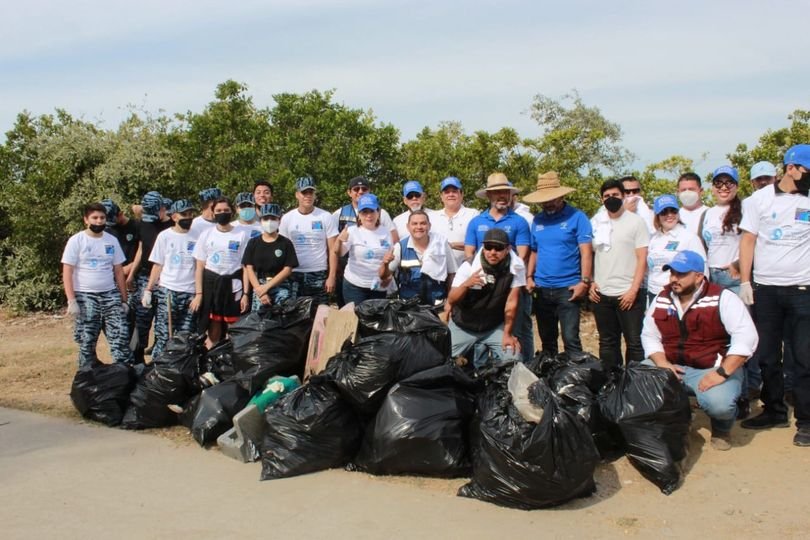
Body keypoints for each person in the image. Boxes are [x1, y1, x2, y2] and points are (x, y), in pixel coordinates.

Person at [641, 250, 758, 451]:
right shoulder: (662, 297)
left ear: (698, 277)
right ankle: (677, 419)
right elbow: (649, 335)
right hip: (672, 363)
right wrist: (662, 364)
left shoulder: (722, 298)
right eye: (672, 273)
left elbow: (746, 338)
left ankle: (722, 428)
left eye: (681, 274)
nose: (674, 279)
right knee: (637, 381)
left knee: (719, 404)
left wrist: (722, 373)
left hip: (711, 367)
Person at [738, 144, 810, 446]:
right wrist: (745, 281)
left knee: (805, 357)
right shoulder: (758, 201)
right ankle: (774, 409)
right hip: (766, 289)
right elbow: (748, 241)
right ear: (791, 168)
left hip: (803, 288)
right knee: (767, 355)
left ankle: (806, 420)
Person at [523, 171, 593, 355]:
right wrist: (529, 276)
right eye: (544, 200)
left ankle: (575, 377)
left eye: (552, 199)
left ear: (561, 195)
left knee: (571, 338)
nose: (548, 203)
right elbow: (534, 251)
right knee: (547, 339)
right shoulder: (537, 220)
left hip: (568, 287)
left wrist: (584, 282)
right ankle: (550, 378)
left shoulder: (577, 217)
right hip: (542, 287)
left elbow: (586, 252)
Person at [465, 172, 532, 361]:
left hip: (511, 283)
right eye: (497, 192)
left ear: (510, 195)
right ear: (489, 196)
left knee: (519, 329)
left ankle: (524, 368)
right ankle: (482, 372)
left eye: (505, 192)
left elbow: (523, 254)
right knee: (483, 329)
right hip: (485, 286)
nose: (501, 196)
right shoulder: (476, 222)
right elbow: (470, 253)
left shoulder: (519, 221)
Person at [61, 202, 132, 367]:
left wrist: (123, 299)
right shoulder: (76, 240)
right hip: (85, 295)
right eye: (94, 218)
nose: (99, 221)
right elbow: (67, 272)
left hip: (109, 294)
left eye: (102, 218)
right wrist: (71, 300)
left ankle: (123, 374)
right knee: (87, 339)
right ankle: (86, 375)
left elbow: (118, 271)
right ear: (86, 219)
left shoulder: (111, 241)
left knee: (120, 335)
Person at [590, 179, 650, 369]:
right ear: (601, 199)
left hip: (628, 294)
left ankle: (634, 386)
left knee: (634, 342)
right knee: (607, 343)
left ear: (623, 196)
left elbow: (642, 258)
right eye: (606, 196)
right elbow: (590, 255)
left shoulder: (636, 222)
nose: (611, 199)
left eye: (615, 195)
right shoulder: (596, 222)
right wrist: (591, 282)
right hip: (602, 294)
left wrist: (633, 290)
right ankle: (612, 385)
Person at [446, 228, 525, 368]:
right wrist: (466, 284)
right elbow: (452, 299)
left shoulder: (516, 267)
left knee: (513, 357)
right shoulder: (468, 267)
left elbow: (511, 303)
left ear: (508, 249)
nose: (492, 252)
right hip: (463, 325)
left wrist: (507, 334)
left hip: (493, 327)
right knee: (442, 360)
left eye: (498, 248)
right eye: (488, 247)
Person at [143, 199, 199, 361]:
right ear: (174, 217)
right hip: (168, 291)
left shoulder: (197, 236)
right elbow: (157, 265)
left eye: (190, 214)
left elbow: (200, 266)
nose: (188, 218)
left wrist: (199, 293)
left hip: (190, 293)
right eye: (184, 214)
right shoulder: (165, 236)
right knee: (164, 336)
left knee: (187, 336)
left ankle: (181, 370)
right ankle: (157, 370)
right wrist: (148, 290)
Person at [191, 197, 250, 347]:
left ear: (232, 212)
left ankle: (232, 358)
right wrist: (199, 294)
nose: (222, 213)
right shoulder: (206, 234)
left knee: (234, 324)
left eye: (225, 210)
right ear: (213, 213)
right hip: (211, 283)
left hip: (234, 284)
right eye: (218, 211)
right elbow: (199, 266)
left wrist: (246, 294)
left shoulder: (242, 234)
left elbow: (246, 267)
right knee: (213, 323)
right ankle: (211, 356)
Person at [333, 176, 398, 306]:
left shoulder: (385, 231)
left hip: (378, 285)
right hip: (354, 285)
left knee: (376, 323)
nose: (369, 215)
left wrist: (388, 274)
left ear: (378, 212)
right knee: (355, 322)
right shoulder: (352, 231)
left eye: (372, 211)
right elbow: (338, 253)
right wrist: (339, 241)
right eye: (364, 212)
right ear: (359, 214)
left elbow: (391, 256)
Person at [279, 176, 338, 306]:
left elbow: (333, 249)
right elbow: (283, 249)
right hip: (294, 273)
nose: (308, 196)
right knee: (294, 315)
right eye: (304, 192)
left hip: (318, 273)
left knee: (320, 314)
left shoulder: (325, 216)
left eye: (310, 192)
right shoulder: (287, 218)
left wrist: (331, 276)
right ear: (297, 195)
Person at [127, 191, 172, 362]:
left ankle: (158, 362)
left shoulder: (171, 226)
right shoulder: (143, 224)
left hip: (164, 280)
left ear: (163, 209)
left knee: (163, 325)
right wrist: (131, 274)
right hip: (144, 277)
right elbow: (141, 249)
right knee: (140, 322)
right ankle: (137, 361)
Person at [381, 209, 457, 305]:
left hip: (437, 305)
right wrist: (385, 263)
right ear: (408, 227)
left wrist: (450, 303)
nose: (419, 227)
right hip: (409, 308)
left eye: (423, 223)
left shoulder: (441, 244)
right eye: (414, 224)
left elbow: (452, 274)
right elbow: (384, 276)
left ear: (429, 226)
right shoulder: (400, 247)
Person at [647, 194, 707, 304]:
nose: (669, 215)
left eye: (673, 211)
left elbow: (703, 268)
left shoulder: (689, 237)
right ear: (657, 215)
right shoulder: (653, 238)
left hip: (678, 294)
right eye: (664, 212)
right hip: (653, 293)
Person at [242, 203, 299, 311]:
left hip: (281, 286)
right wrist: (260, 290)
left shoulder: (286, 243)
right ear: (261, 220)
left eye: (273, 218)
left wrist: (267, 287)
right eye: (266, 218)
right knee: (259, 322)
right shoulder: (253, 242)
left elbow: (287, 269)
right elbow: (249, 268)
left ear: (279, 220)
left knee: (282, 321)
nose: (269, 221)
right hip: (259, 286)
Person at [699, 166, 743, 295]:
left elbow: (754, 244)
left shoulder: (745, 210)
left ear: (736, 186)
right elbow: (702, 247)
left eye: (728, 183)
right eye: (718, 183)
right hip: (712, 277)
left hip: (734, 277)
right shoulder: (707, 213)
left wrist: (737, 264)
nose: (723, 187)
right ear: (712, 188)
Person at [428, 176, 479, 269]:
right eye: (447, 192)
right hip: (440, 271)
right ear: (441, 196)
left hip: (467, 270)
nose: (450, 194)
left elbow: (478, 242)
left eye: (454, 191)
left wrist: (451, 245)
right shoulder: (432, 217)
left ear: (462, 194)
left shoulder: (473, 214)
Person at [102, 199, 139, 283]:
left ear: (121, 214)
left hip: (134, 276)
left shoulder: (136, 226)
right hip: (113, 277)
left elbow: (144, 251)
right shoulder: (107, 230)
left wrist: (132, 267)